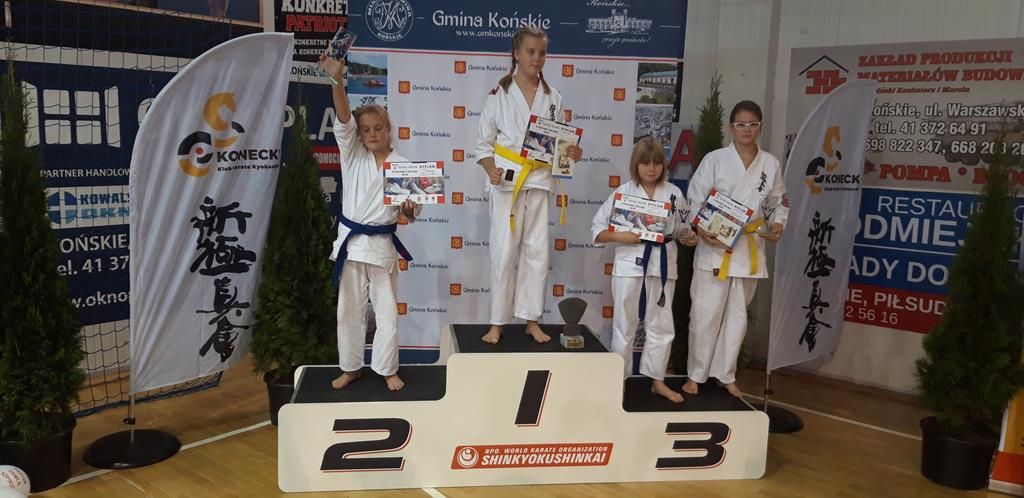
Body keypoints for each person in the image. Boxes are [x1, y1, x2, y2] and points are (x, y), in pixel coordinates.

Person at [319, 52, 421, 392]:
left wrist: (409, 209)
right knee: (349, 310)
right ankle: (350, 367)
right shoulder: (352, 155)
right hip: (352, 244)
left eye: (378, 128)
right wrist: (336, 79)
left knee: (387, 312)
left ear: (388, 130)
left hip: (380, 247)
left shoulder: (403, 165)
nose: (372, 133)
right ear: (359, 135)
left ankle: (387, 368)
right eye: (366, 130)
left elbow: (410, 216)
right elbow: (343, 117)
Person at [473, 27, 582, 344]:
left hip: (539, 180)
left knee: (537, 254)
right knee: (503, 253)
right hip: (508, 182)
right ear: (516, 54)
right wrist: (491, 169)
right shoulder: (498, 94)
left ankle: (532, 318)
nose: (537, 58)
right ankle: (497, 321)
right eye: (531, 52)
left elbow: (560, 144)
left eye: (542, 53)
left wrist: (571, 152)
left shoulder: (553, 97)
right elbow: (483, 144)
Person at [684, 100, 788, 398]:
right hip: (715, 245)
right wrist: (701, 228)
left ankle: (726, 374)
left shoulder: (770, 164)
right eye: (741, 124)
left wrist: (777, 225)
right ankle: (695, 375)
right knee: (705, 314)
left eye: (752, 124)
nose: (746, 129)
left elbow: (777, 202)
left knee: (738, 317)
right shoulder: (715, 159)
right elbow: (695, 198)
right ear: (731, 127)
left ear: (760, 127)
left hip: (748, 247)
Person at [592, 137, 695, 403]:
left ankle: (657, 380)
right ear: (635, 165)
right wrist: (620, 236)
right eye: (645, 163)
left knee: (662, 325)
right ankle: (619, 380)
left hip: (662, 265)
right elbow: (597, 230)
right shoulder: (623, 193)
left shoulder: (674, 193)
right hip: (629, 264)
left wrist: (689, 237)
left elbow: (684, 229)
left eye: (657, 163)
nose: (651, 169)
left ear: (663, 165)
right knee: (624, 326)